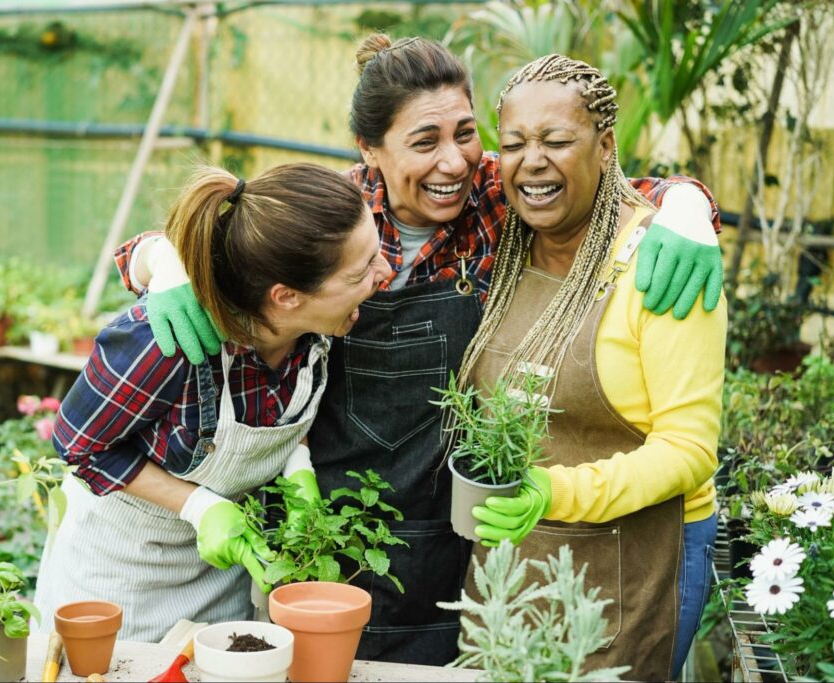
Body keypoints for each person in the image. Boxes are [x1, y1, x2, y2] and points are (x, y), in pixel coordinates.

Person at [112, 35, 724, 664]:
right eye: (425, 143)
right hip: (328, 524)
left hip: (453, 533)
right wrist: (163, 263)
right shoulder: (331, 215)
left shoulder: (496, 197)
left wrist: (685, 206)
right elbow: (204, 229)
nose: (455, 163)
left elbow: (609, 187)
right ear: (369, 151)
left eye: (466, 133)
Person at [32, 163, 392, 642]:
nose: (385, 272)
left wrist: (297, 467)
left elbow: (286, 408)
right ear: (286, 296)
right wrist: (198, 505)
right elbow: (78, 445)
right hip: (120, 584)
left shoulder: (314, 328)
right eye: (363, 269)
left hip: (222, 577)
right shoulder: (169, 338)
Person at [458, 54, 725, 681]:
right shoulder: (503, 240)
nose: (533, 161)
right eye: (516, 144)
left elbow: (689, 451)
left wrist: (555, 491)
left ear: (605, 146)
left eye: (557, 141)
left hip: (639, 556)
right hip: (512, 548)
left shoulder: (661, 265)